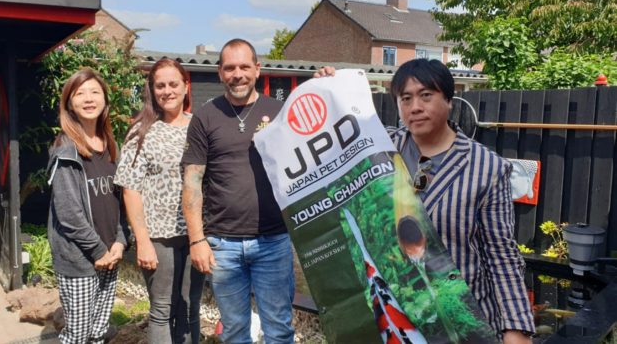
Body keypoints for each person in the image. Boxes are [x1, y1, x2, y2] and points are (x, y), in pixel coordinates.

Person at [316, 59, 535, 343]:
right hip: (398, 319)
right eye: (405, 98)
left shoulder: (486, 168)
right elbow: (333, 146)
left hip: (461, 321)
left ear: (448, 100)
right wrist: (328, 90)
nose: (415, 107)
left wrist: (515, 329)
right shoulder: (382, 151)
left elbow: (502, 256)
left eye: (426, 95)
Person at [181, 38, 296, 343]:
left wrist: (327, 85)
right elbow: (192, 181)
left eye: (245, 66)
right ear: (219, 72)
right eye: (230, 68)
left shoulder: (279, 111)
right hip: (223, 245)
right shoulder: (206, 116)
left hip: (273, 241)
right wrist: (197, 240)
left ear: (258, 69)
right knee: (233, 332)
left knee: (279, 329)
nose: (238, 74)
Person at [114, 59, 205, 343]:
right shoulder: (141, 132)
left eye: (173, 84)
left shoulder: (199, 126)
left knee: (190, 307)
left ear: (185, 87)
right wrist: (141, 240)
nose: (167, 91)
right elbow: (130, 189)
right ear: (152, 91)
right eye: (160, 85)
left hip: (195, 235)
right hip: (158, 236)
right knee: (162, 309)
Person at [46, 68, 127, 344]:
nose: (89, 98)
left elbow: (118, 200)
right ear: (69, 103)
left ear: (104, 99)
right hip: (81, 259)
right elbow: (68, 214)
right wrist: (98, 251)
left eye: (95, 92)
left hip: (110, 254)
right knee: (77, 336)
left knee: (98, 331)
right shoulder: (65, 149)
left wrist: (119, 241)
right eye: (80, 93)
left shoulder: (111, 145)